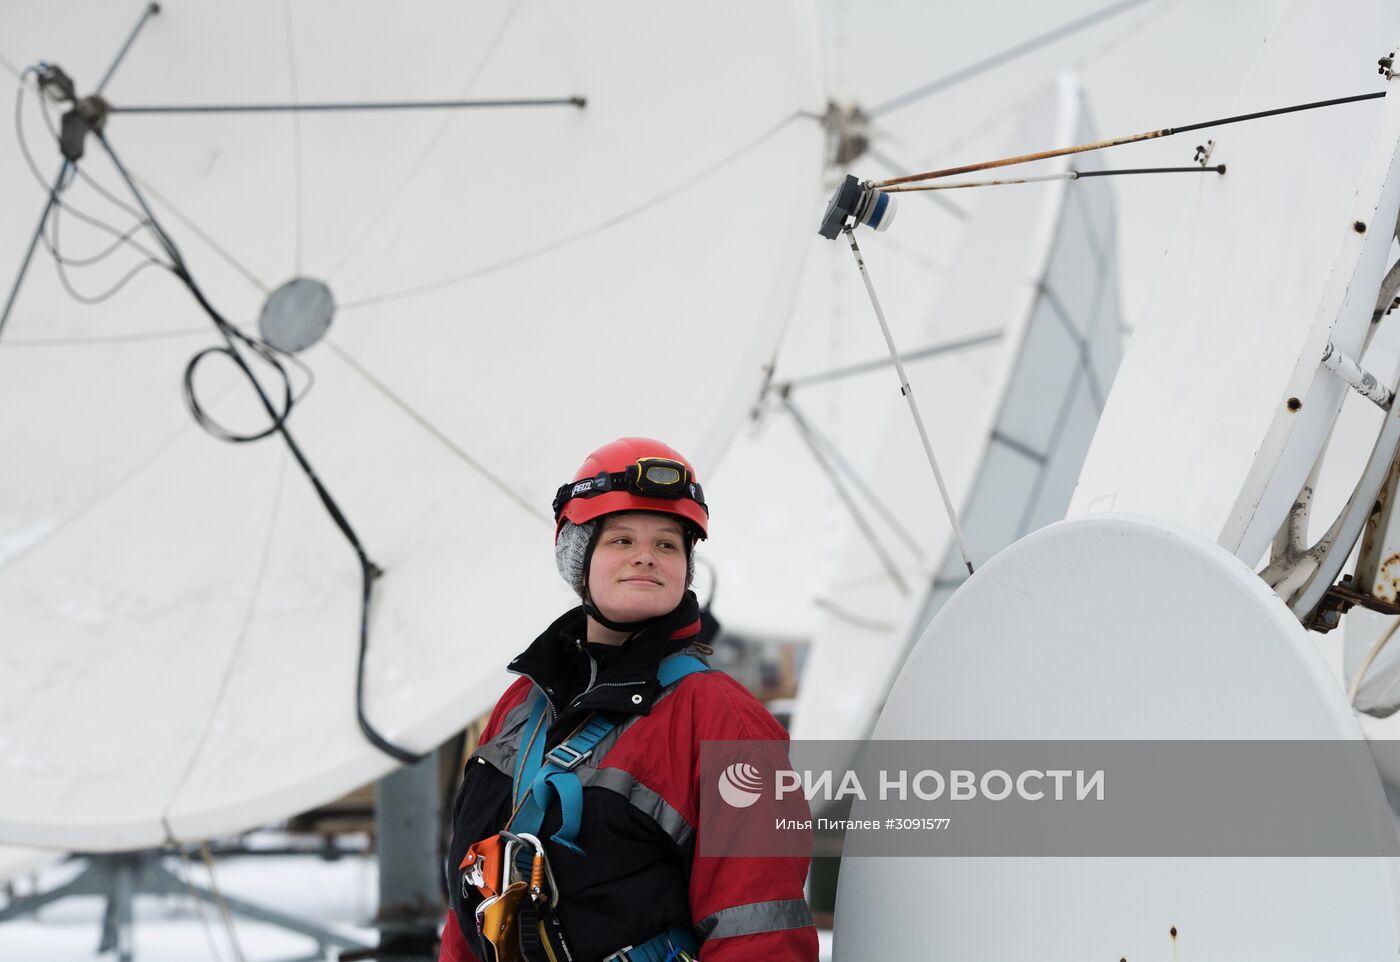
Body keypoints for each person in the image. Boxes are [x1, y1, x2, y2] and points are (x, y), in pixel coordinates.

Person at [440, 438, 817, 962]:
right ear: (579, 558)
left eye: (667, 544)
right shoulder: (522, 704)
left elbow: (760, 936)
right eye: (621, 539)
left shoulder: (724, 722)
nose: (646, 555)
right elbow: (471, 910)